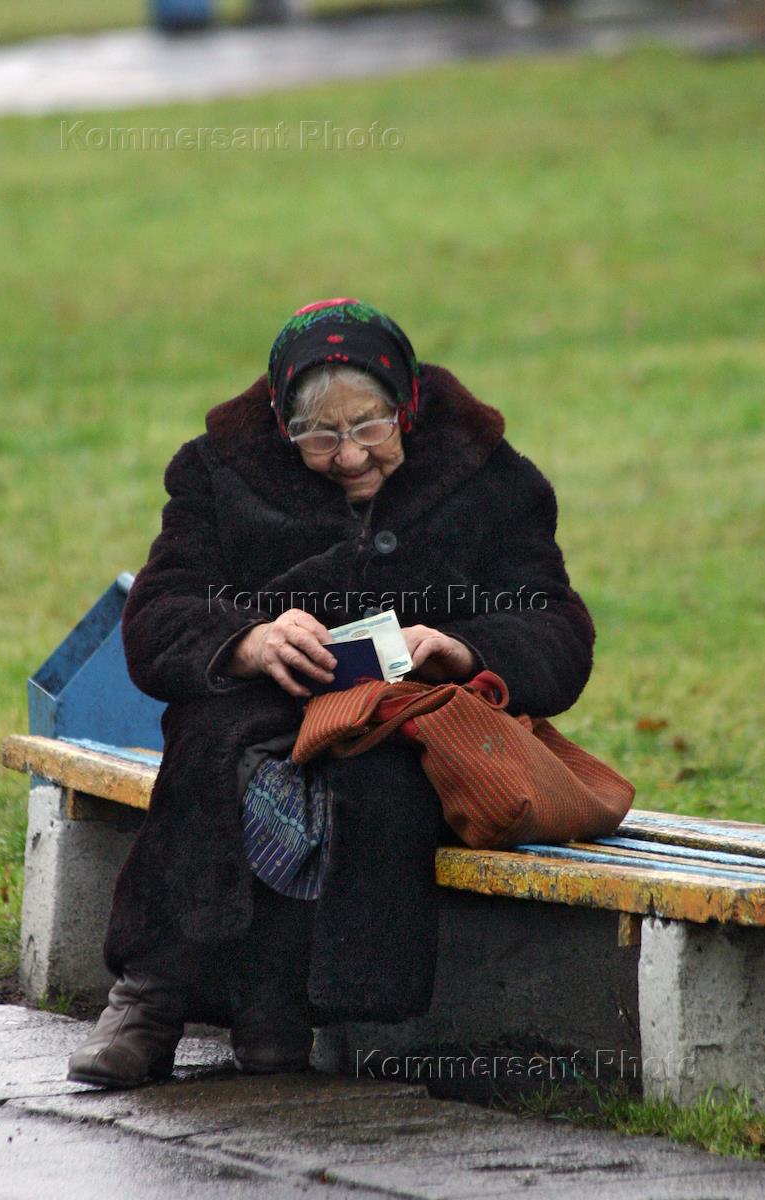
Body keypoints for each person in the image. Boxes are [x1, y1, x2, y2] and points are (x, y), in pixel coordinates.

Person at [67, 297, 595, 1089]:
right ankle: (149, 1000)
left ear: (405, 407)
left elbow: (557, 628)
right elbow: (157, 616)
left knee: (364, 774)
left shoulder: (489, 476)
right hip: (258, 706)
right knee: (220, 750)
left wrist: (462, 648)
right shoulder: (219, 469)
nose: (349, 456)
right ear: (284, 427)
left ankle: (276, 1000)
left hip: (406, 719)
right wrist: (248, 641)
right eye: (319, 436)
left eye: (369, 428)